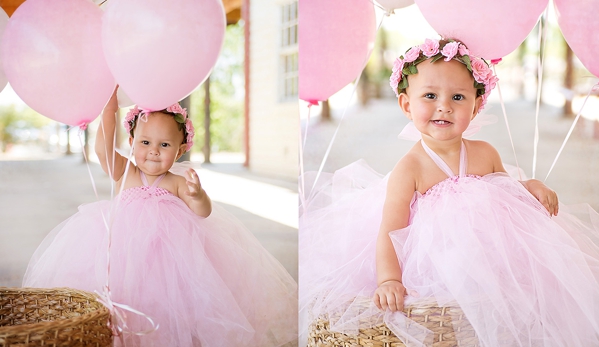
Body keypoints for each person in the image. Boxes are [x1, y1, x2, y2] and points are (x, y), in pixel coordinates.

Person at [299, 39, 599, 346]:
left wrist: (530, 187)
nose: (444, 106)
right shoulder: (410, 168)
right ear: (406, 105)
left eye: (458, 97)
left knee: (500, 308)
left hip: (485, 258)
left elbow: (507, 192)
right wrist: (389, 279)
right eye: (430, 95)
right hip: (428, 264)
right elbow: (390, 230)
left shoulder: (485, 152)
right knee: (442, 316)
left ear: (476, 105)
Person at [23, 88, 298, 347]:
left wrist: (198, 193)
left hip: (171, 265)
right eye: (145, 142)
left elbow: (203, 211)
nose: (153, 150)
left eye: (164, 144)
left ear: (179, 151)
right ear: (131, 143)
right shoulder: (125, 172)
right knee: (121, 305)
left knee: (167, 310)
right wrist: (109, 108)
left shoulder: (177, 181)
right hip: (123, 258)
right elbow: (102, 149)